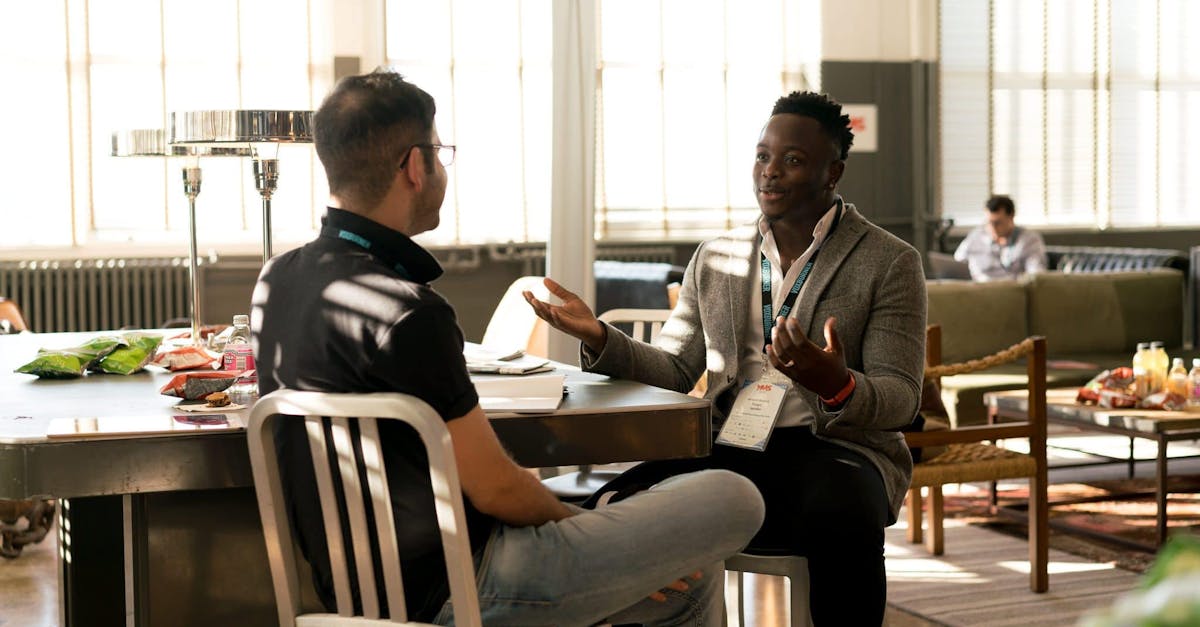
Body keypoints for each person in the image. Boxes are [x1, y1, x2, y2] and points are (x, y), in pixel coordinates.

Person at [251, 69, 764, 626]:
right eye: (441, 153)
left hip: (357, 596)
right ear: (415, 166)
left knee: (689, 577)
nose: (442, 167)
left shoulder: (278, 280)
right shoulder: (410, 312)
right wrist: (581, 527)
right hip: (466, 588)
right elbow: (496, 488)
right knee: (734, 496)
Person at [525, 91, 926, 625]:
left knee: (841, 510)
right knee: (621, 498)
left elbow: (901, 399)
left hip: (835, 451)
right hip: (731, 443)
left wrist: (837, 384)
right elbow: (672, 370)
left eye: (792, 160)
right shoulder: (715, 258)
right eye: (763, 156)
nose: (771, 173)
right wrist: (600, 336)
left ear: (833, 172)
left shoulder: (889, 261)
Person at [953, 194, 1048, 281]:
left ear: (1011, 216)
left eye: (997, 223)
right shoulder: (977, 236)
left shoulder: (1029, 240)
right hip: (977, 290)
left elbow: (1036, 274)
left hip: (1010, 291)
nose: (992, 228)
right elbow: (957, 263)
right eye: (989, 222)